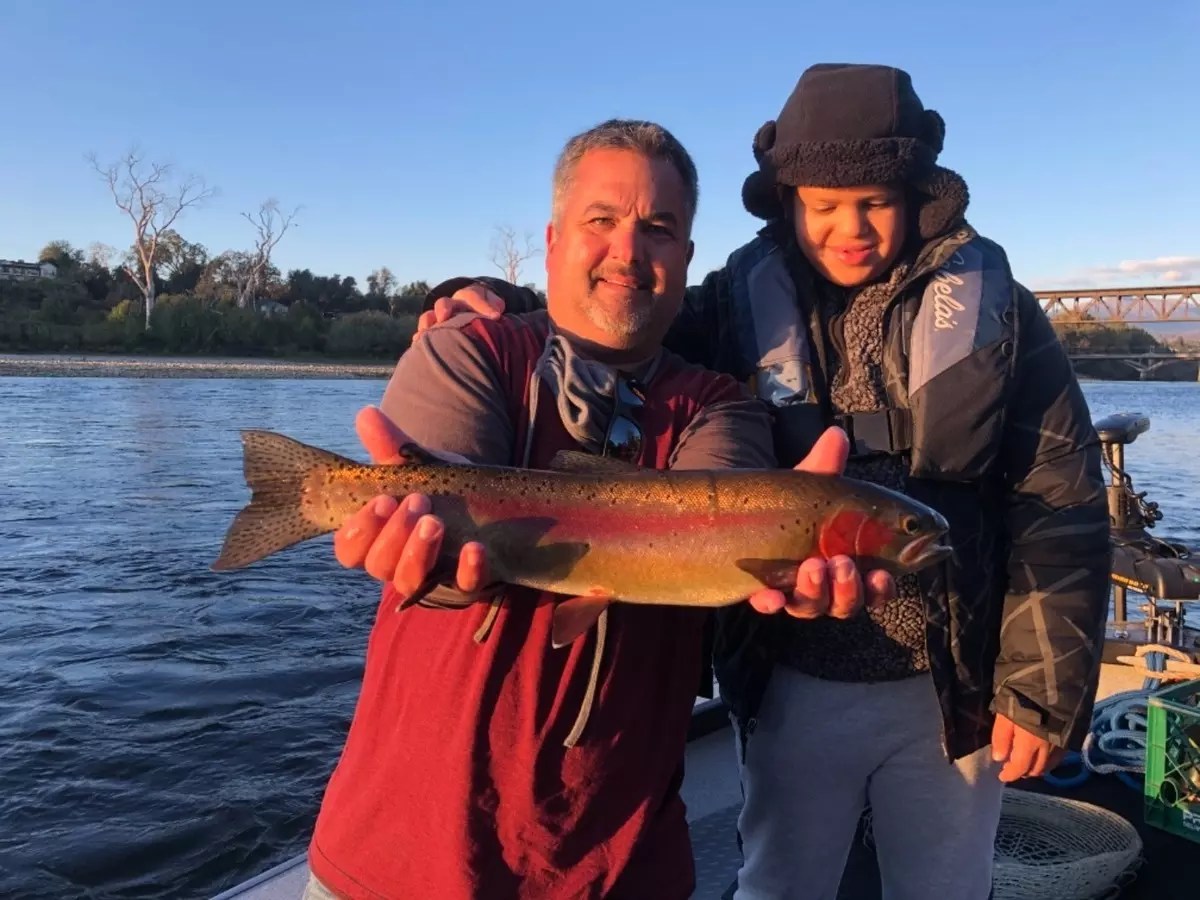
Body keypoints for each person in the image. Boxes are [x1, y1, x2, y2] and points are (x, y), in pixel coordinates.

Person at [418, 64, 1113, 900]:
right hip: (787, 679)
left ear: (918, 195)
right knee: (781, 881)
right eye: (822, 206)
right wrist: (489, 297)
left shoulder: (1001, 313)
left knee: (948, 884)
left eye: (876, 203)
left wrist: (1039, 690)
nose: (849, 227)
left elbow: (1062, 500)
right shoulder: (732, 303)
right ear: (787, 203)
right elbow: (619, 306)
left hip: (949, 684)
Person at [302, 117, 888, 900]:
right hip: (397, 859)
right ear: (552, 240)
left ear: (684, 258)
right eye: (602, 220)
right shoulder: (465, 352)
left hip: (620, 867)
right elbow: (448, 540)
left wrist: (797, 523)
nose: (629, 249)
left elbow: (708, 530)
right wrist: (428, 563)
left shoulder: (722, 408)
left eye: (658, 228)